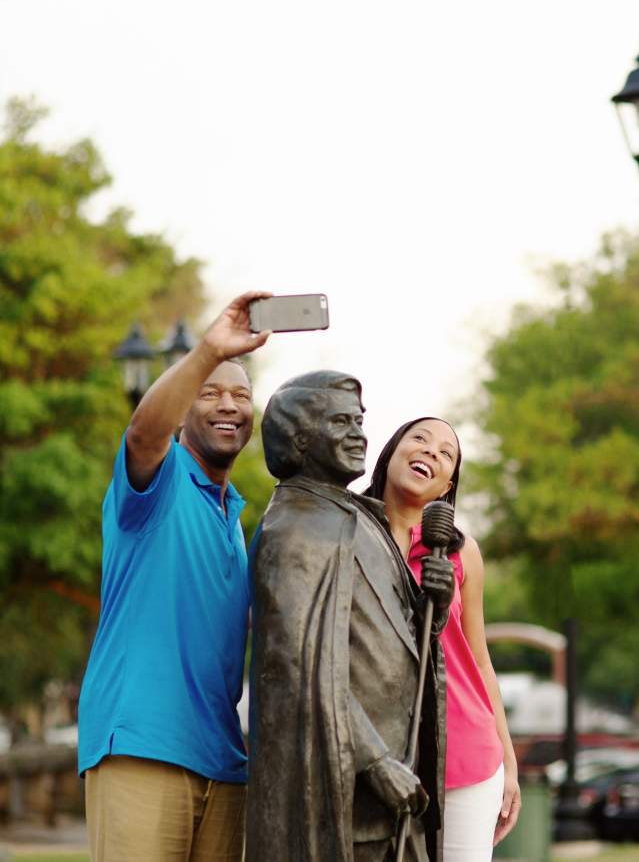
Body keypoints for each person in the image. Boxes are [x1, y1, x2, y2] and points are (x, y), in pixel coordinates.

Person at [77, 292, 272, 862]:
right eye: (210, 392)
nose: (228, 404)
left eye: (241, 394)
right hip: (144, 747)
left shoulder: (235, 520)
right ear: (185, 407)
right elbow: (143, 432)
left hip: (222, 761)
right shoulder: (156, 482)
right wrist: (209, 351)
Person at [246, 372, 454, 862]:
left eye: (360, 421)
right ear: (300, 440)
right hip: (349, 792)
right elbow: (297, 668)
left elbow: (399, 641)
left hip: (396, 793)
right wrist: (377, 761)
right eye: (341, 422)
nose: (360, 433)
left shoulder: (361, 520)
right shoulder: (292, 530)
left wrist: (434, 609)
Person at [365, 417, 521, 862]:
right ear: (392, 451)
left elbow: (479, 661)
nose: (430, 451)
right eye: (419, 439)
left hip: (466, 756)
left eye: (445, 452)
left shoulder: (461, 551)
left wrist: (508, 761)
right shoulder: (351, 533)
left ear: (447, 484)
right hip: (376, 755)